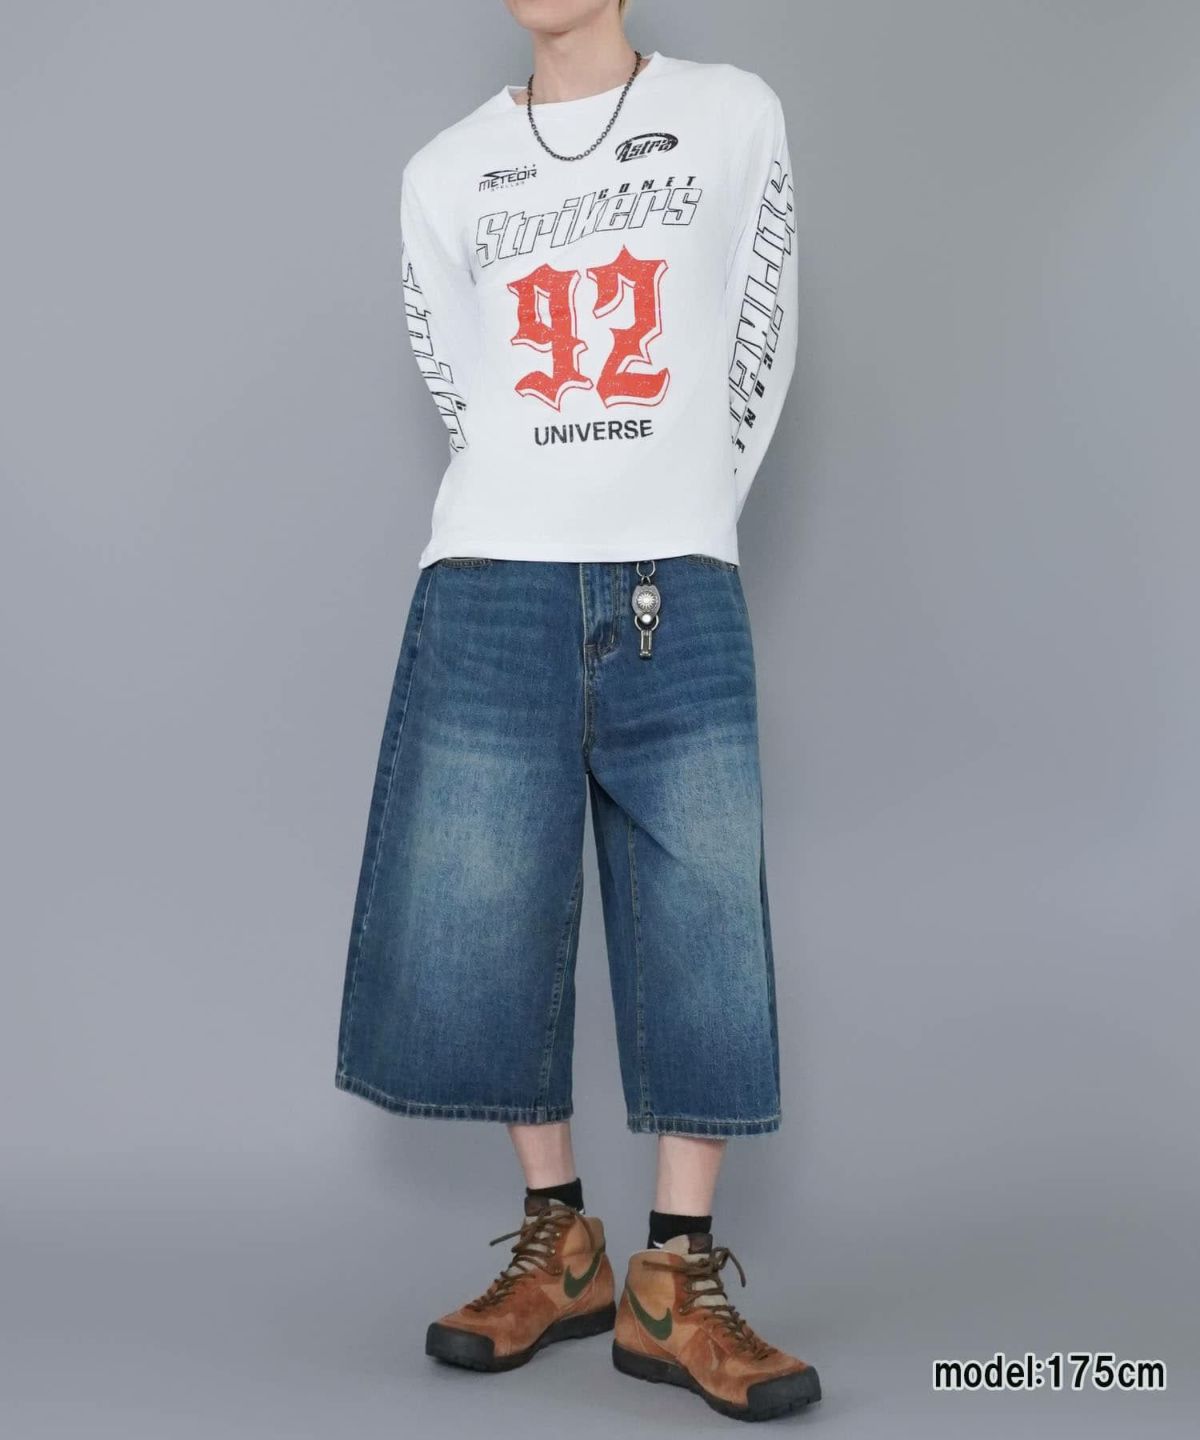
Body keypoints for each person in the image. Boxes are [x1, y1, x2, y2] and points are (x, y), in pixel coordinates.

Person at [333, 0, 818, 1420]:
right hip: (493, 576)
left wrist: (677, 511)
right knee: (485, 902)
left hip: (677, 569)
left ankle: (677, 1277)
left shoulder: (731, 115)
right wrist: (542, 507)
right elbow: (461, 383)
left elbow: (760, 339)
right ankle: (562, 1244)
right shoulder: (444, 171)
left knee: (704, 908)